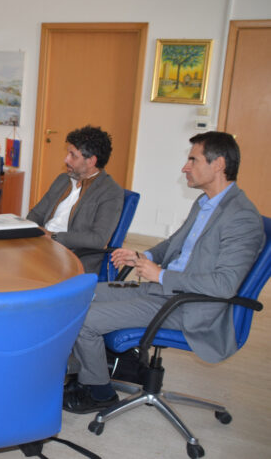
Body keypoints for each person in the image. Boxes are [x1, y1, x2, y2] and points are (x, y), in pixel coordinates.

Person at [63, 131, 265, 414]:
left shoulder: (241, 217)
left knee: (85, 319)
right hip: (165, 290)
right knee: (77, 295)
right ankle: (85, 370)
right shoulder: (205, 202)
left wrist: (159, 275)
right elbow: (174, 244)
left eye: (193, 160)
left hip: (189, 305)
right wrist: (143, 256)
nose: (185, 167)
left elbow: (224, 285)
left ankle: (99, 392)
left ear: (218, 164)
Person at [27, 125, 124, 274]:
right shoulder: (62, 180)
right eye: (68, 153)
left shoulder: (110, 192)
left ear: (91, 161)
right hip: (43, 246)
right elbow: (36, 214)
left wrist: (53, 236)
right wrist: (30, 231)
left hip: (73, 256)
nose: (66, 159)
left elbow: (98, 239)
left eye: (73, 155)